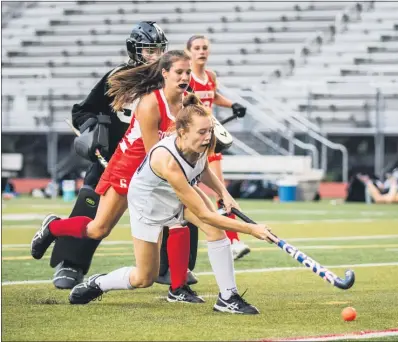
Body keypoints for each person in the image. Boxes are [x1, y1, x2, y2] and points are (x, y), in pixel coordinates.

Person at [35, 94, 275, 314]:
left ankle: (226, 297)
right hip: (147, 203)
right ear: (181, 131)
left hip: (170, 191)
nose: (208, 137)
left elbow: (202, 168)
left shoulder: (200, 141)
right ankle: (98, 282)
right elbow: (205, 214)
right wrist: (253, 230)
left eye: (209, 131)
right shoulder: (167, 156)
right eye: (202, 132)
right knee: (142, 276)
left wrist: (224, 193)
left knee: (213, 231)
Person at [31, 50, 202, 302]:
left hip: (155, 168)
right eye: (180, 72)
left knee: (178, 219)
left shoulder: (187, 102)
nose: (186, 77)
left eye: (188, 72)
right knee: (98, 228)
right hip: (130, 167)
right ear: (165, 73)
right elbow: (153, 152)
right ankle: (54, 227)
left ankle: (178, 288)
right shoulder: (152, 102)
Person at [46, 21, 169, 290]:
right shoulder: (118, 76)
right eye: (150, 50)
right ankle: (71, 262)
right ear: (134, 49)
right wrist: (92, 131)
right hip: (113, 159)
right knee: (90, 207)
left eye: (160, 50)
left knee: (176, 206)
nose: (156, 57)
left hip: (155, 161)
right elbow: (82, 111)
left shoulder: (169, 79)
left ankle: (169, 266)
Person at [156, 35, 250, 286]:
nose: (201, 52)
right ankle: (230, 240)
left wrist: (233, 104)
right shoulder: (186, 82)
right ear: (188, 51)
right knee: (198, 197)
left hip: (209, 140)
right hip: (190, 143)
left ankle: (233, 241)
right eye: (196, 48)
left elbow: (214, 96)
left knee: (219, 188)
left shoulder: (209, 76)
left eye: (205, 48)